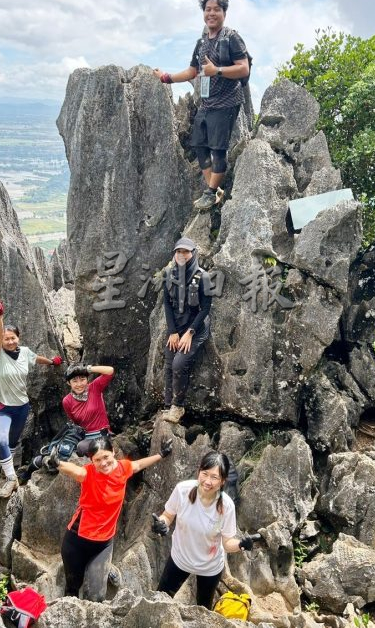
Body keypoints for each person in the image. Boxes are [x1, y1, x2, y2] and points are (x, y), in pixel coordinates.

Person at [153, 0, 249, 211]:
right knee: (198, 144)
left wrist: (218, 70)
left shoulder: (231, 38)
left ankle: (211, 192)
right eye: (208, 9)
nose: (211, 13)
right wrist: (167, 78)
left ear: (224, 12)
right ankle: (214, 189)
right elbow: (192, 71)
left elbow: (244, 68)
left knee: (218, 149)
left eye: (216, 9)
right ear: (203, 13)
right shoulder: (202, 42)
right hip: (207, 103)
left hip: (226, 102)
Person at [54, 434, 173, 601]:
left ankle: (107, 569)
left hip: (103, 544)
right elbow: (75, 470)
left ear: (114, 452)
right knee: (72, 588)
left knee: (96, 596)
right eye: (97, 460)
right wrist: (58, 463)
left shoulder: (122, 468)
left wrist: (161, 454)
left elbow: (138, 464)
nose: (103, 463)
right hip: (77, 540)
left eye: (106, 457)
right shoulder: (88, 473)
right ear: (92, 461)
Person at [152, 451, 259, 609]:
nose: (208, 481)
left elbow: (228, 543)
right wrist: (162, 523)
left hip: (210, 567)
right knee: (159, 601)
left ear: (223, 481)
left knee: (203, 609)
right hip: (180, 559)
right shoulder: (182, 490)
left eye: (214, 477)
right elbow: (168, 515)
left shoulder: (226, 506)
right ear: (199, 472)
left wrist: (242, 545)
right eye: (205, 474)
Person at [0, 292, 62, 497]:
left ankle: (8, 471)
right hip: (2, 406)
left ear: (18, 338)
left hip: (22, 406)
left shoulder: (24, 352)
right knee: (0, 439)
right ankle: (11, 479)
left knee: (12, 442)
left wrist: (51, 362)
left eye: (13, 338)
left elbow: (35, 358)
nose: (10, 342)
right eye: (6, 339)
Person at [19, 363, 115, 482]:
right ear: (68, 383)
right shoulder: (67, 401)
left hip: (101, 435)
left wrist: (87, 369)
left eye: (82, 379)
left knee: (81, 447)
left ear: (87, 379)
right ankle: (31, 469)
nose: (79, 384)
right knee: (59, 450)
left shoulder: (94, 387)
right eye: (75, 380)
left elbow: (110, 370)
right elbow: (75, 422)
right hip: (82, 435)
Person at [162, 237, 211, 424]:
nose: (181, 255)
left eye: (185, 252)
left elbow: (206, 308)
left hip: (195, 328)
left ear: (193, 253)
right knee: (169, 361)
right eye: (178, 251)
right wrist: (173, 332)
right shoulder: (168, 274)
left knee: (179, 364)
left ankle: (178, 406)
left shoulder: (202, 277)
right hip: (176, 328)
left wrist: (190, 333)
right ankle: (167, 406)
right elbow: (167, 304)